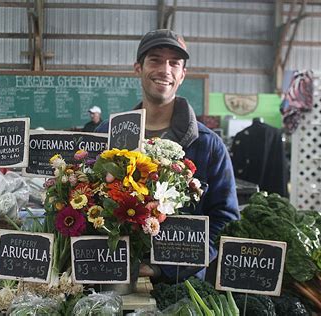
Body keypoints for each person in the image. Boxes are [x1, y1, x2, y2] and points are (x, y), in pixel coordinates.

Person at [96, 29, 240, 283]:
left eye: (174, 63)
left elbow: (225, 222)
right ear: (137, 68)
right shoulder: (106, 135)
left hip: (181, 288)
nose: (165, 69)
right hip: (111, 277)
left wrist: (167, 267)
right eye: (155, 59)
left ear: (182, 75)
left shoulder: (208, 146)